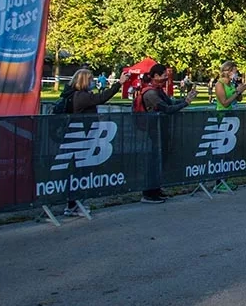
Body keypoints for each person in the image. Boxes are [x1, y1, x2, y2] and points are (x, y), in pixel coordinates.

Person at [59, 68, 129, 216]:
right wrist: (119, 84)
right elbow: (101, 98)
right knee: (78, 172)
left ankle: (74, 203)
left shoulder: (75, 95)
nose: (93, 82)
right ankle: (73, 204)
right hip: (79, 137)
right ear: (84, 80)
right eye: (91, 79)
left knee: (78, 171)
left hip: (80, 134)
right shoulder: (80, 96)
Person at [137, 63, 198, 203]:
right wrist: (185, 103)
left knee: (160, 160)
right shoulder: (151, 93)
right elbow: (166, 109)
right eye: (164, 75)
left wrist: (185, 99)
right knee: (154, 161)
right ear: (156, 76)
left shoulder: (158, 90)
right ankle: (148, 193)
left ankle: (156, 189)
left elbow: (170, 103)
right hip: (153, 131)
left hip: (162, 129)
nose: (166, 77)